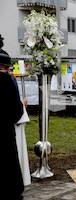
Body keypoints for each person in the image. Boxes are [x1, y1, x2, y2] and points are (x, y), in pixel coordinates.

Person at [0, 51, 24, 199]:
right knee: (7, 162)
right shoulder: (6, 80)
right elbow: (16, 111)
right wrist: (21, 105)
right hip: (4, 130)